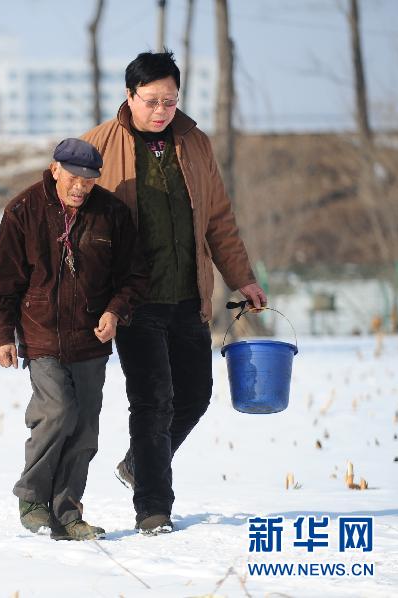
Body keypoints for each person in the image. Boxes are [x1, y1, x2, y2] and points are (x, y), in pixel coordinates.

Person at [80, 51, 268, 535]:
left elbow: (219, 221)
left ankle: (138, 465)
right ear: (129, 96)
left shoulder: (194, 143)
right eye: (152, 100)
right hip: (132, 301)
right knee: (152, 400)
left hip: (189, 295)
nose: (162, 110)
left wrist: (241, 277)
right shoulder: (100, 143)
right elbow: (71, 216)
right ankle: (154, 509)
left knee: (196, 395)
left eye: (170, 99)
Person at [0, 138, 148, 541]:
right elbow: (1, 282)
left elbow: (134, 276)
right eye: (73, 178)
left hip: (91, 337)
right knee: (57, 412)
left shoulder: (111, 213)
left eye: (89, 181)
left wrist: (115, 310)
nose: (80, 187)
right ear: (55, 169)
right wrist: (3, 336)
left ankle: (67, 511)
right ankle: (33, 500)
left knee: (85, 428)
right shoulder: (23, 211)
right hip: (41, 334)